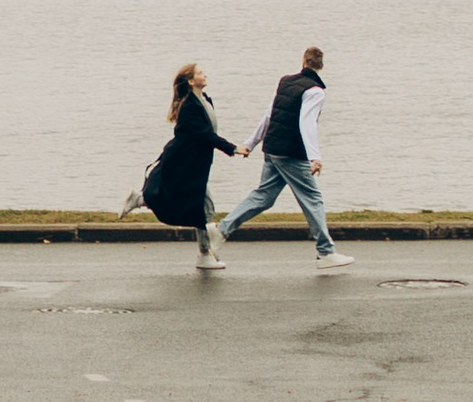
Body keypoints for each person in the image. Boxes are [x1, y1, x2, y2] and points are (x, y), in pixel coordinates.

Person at [214, 46, 352, 267]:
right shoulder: (315, 91)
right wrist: (314, 157)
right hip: (291, 153)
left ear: (304, 61)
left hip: (272, 148)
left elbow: (269, 115)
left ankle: (221, 230)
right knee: (312, 198)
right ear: (321, 66)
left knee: (264, 196)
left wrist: (251, 143)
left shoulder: (285, 82)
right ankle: (326, 252)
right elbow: (306, 123)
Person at [122, 62, 243, 268]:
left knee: (190, 201)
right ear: (191, 80)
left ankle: (140, 199)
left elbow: (207, 134)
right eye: (200, 73)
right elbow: (205, 135)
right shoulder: (189, 106)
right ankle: (204, 254)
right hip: (182, 160)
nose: (205, 75)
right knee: (204, 206)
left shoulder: (204, 100)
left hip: (194, 162)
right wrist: (233, 148)